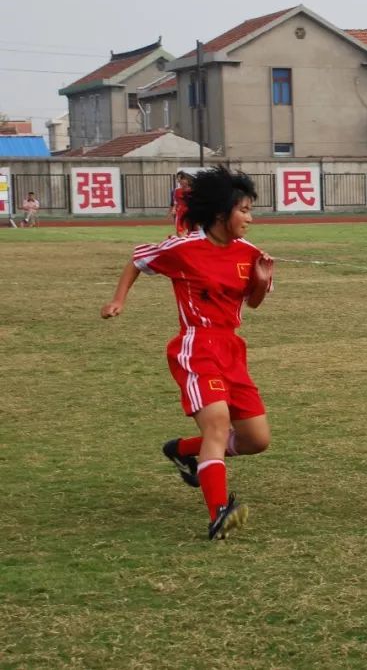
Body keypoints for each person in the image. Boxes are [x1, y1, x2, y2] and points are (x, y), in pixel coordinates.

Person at [100, 167, 275, 539]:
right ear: (219, 213)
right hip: (197, 346)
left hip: (232, 348)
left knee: (256, 440)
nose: (250, 217)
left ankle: (182, 450)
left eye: (250, 210)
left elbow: (254, 303)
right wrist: (118, 299)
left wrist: (260, 281)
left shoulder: (250, 253)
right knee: (217, 425)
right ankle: (219, 513)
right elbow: (138, 259)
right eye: (243, 209)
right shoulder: (183, 248)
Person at [168, 172, 193, 237]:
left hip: (192, 213)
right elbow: (175, 202)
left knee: (193, 232)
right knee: (180, 232)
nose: (179, 180)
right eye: (178, 179)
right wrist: (173, 209)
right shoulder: (176, 191)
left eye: (182, 178)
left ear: (187, 179)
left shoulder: (193, 190)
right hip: (180, 213)